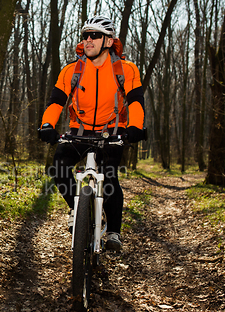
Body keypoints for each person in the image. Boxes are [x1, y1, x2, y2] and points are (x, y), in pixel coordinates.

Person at [38, 16, 145, 252]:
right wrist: (47, 125)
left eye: (94, 35)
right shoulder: (71, 71)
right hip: (79, 131)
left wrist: (135, 127)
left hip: (112, 132)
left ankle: (114, 232)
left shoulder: (125, 69)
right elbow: (56, 102)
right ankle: (76, 209)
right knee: (59, 167)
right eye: (85, 35)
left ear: (108, 41)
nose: (88, 39)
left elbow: (136, 101)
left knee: (110, 177)